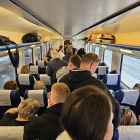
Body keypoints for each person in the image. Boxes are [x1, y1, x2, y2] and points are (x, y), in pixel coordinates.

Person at [59, 53, 121, 137]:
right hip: (89, 129)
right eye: (95, 68)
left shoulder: (62, 79)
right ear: (91, 66)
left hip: (66, 127)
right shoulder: (96, 85)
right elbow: (115, 107)